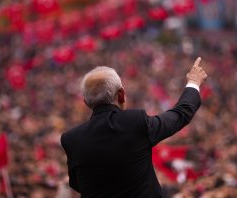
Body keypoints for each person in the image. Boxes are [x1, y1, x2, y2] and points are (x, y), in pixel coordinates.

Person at [60, 57, 207, 197]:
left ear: (86, 102)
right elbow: (179, 115)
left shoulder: (71, 139)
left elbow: (77, 183)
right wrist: (194, 82)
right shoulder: (134, 121)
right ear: (122, 94)